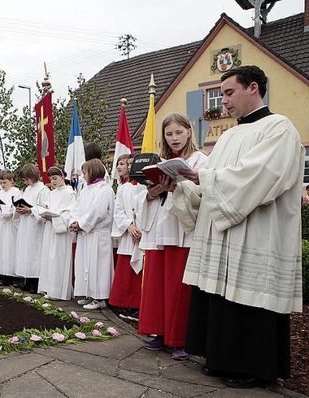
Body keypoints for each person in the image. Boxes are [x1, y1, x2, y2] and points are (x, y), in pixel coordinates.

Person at [173, 65, 304, 388]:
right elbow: (211, 188)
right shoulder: (228, 136)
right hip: (225, 231)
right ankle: (220, 359)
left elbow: (259, 175)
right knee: (220, 297)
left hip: (258, 230)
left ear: (254, 88)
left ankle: (252, 367)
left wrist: (205, 178)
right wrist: (180, 185)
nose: (224, 102)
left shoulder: (280, 129)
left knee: (248, 296)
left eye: (229, 93)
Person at [136, 112, 208, 361]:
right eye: (169, 134)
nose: (174, 138)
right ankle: (160, 332)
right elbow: (144, 200)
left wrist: (179, 186)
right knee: (157, 286)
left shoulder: (200, 159)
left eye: (179, 132)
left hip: (183, 231)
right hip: (160, 230)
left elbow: (203, 192)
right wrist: (152, 193)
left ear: (189, 131)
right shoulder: (161, 161)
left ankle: (180, 338)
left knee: (180, 287)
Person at [70, 159, 115, 310]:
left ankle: (100, 297)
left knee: (98, 266)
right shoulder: (85, 190)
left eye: (84, 173)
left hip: (97, 234)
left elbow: (99, 212)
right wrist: (74, 221)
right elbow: (76, 208)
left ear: (94, 171)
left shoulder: (104, 189)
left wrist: (82, 224)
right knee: (84, 264)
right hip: (85, 233)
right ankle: (88, 294)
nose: (83, 176)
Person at [109, 153, 146, 321]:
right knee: (127, 274)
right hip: (129, 234)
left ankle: (140, 306)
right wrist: (129, 225)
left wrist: (140, 229)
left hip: (143, 234)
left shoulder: (145, 186)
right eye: (128, 164)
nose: (130, 167)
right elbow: (118, 211)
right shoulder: (124, 188)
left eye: (132, 164)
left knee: (141, 273)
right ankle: (129, 304)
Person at [37, 166, 77, 300]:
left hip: (61, 232)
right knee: (48, 258)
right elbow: (48, 206)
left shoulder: (70, 193)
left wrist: (55, 219)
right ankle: (47, 287)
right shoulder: (51, 193)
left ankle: (58, 291)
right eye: (51, 179)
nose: (53, 182)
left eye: (55, 178)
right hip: (50, 229)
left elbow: (69, 213)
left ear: (62, 177)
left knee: (58, 259)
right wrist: (44, 210)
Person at [14, 164, 49, 292]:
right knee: (25, 253)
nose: (26, 182)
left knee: (34, 254)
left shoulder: (43, 189)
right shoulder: (27, 189)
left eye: (26, 179)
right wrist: (19, 208)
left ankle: (35, 282)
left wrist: (30, 210)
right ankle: (27, 280)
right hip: (25, 224)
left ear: (33, 176)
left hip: (35, 226)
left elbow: (45, 207)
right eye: (24, 180)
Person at [0, 169, 21, 285]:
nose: (2, 185)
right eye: (0, 183)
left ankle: (10, 275)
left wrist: (0, 207)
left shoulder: (16, 192)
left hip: (9, 225)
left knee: (9, 249)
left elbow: (13, 210)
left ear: (12, 181)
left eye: (4, 182)